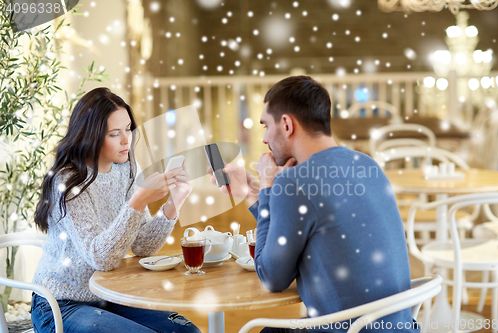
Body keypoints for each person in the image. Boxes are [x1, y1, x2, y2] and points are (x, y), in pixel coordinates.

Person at [210, 76, 418, 332]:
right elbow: (303, 226)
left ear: (286, 124)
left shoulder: (294, 183)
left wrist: (267, 187)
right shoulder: (367, 164)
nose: (264, 139)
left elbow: (272, 277)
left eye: (266, 126)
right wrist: (253, 194)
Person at [31, 87, 201, 333]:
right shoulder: (68, 183)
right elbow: (101, 258)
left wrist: (173, 203)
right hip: (60, 305)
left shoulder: (127, 169)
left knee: (187, 331)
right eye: (114, 133)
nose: (126, 140)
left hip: (110, 296)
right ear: (91, 135)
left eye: (129, 129)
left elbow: (142, 245)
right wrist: (138, 201)